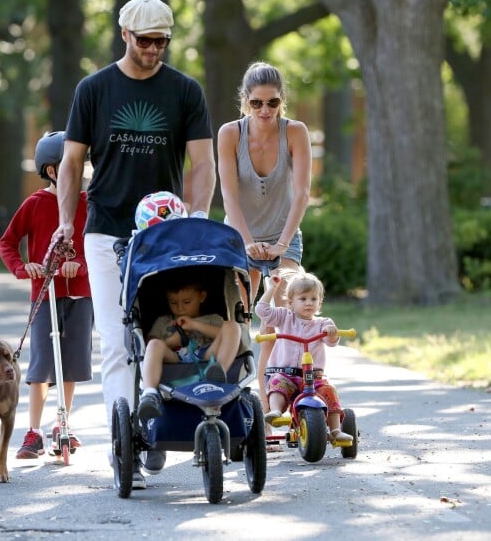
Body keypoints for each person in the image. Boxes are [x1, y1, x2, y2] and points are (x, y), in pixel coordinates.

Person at [52, 0, 216, 488]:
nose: (153, 50)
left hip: (164, 235)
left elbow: (202, 162)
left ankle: (159, 424)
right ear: (124, 34)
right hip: (105, 230)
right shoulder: (94, 89)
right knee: (115, 341)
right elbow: (72, 162)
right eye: (144, 41)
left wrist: (199, 217)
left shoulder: (185, 91)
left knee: (165, 332)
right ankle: (128, 445)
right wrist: (65, 221)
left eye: (161, 42)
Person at [217, 61, 312, 416]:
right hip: (240, 237)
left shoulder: (295, 132)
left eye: (272, 103)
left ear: (281, 102)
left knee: (278, 321)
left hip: (282, 237)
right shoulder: (230, 134)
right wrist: (245, 241)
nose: (265, 110)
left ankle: (273, 405)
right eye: (257, 103)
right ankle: (236, 403)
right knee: (236, 321)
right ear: (245, 101)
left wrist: (283, 245)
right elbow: (228, 195)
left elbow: (301, 194)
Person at [0, 131, 93, 460]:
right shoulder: (35, 205)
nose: (82, 172)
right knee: (41, 366)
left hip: (80, 297)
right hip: (44, 297)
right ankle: (33, 431)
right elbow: (7, 243)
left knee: (72, 364)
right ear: (53, 170)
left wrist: (79, 266)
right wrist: (25, 268)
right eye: (74, 166)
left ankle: (61, 424)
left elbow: (99, 250)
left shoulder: (88, 204)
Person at [255, 269, 353, 443]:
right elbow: (262, 310)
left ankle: (336, 430)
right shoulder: (284, 317)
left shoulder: (323, 323)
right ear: (291, 302)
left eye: (313, 299)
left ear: (320, 302)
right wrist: (272, 288)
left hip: (313, 377)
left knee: (329, 391)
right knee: (278, 383)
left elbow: (332, 342)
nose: (309, 303)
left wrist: (331, 333)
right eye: (303, 299)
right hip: (286, 374)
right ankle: (276, 411)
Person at [137, 281, 242, 422]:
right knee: (155, 344)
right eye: (173, 302)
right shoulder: (163, 322)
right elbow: (149, 345)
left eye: (187, 302)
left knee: (232, 326)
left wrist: (194, 325)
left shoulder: (212, 319)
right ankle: (149, 393)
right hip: (175, 357)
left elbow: (224, 336)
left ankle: (219, 372)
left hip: (207, 356)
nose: (180, 308)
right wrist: (171, 342)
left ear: (202, 297)